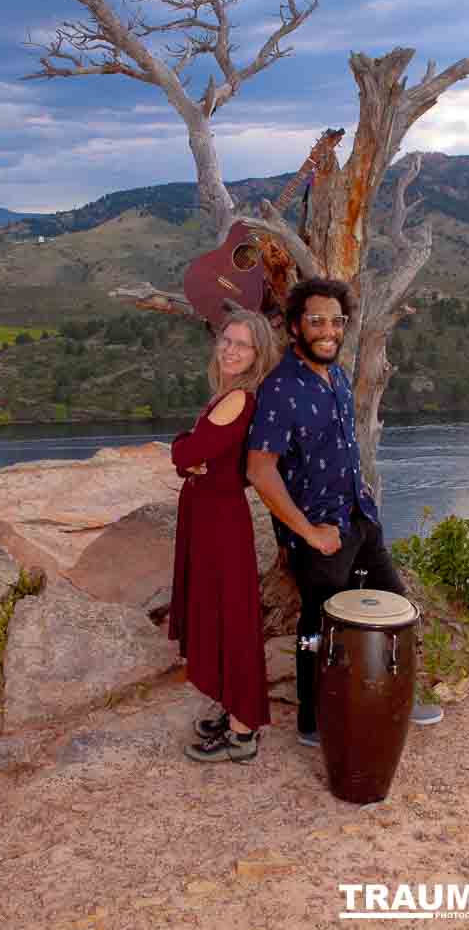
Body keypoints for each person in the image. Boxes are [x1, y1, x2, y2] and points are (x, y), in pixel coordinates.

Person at [247, 277, 442, 747]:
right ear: (295, 327)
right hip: (320, 533)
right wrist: (309, 534)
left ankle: (396, 697)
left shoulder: (335, 374)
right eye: (316, 321)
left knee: (396, 610)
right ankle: (313, 721)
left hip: (359, 517)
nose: (328, 330)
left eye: (336, 321)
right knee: (321, 627)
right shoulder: (280, 388)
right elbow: (260, 470)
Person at [169, 309, 279, 762]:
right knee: (219, 613)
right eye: (227, 340)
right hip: (211, 516)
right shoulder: (230, 395)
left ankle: (243, 731)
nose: (231, 350)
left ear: (258, 355)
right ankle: (234, 707)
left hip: (218, 521)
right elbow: (196, 455)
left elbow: (190, 451)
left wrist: (182, 452)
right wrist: (189, 456)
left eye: (243, 345)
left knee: (230, 619)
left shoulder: (239, 400)